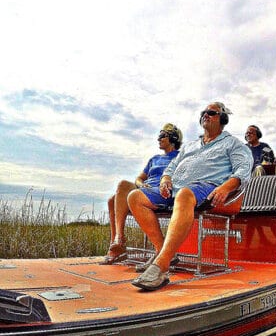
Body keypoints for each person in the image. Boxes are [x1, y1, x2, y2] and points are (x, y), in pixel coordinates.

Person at [127, 102, 253, 291]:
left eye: (211, 113)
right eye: (204, 112)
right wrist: (165, 179)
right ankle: (165, 252)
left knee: (185, 194)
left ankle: (161, 265)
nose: (205, 115)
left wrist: (227, 187)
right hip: (174, 188)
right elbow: (171, 166)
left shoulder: (233, 144)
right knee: (134, 197)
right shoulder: (190, 145)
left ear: (223, 119)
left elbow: (243, 169)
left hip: (206, 187)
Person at [100, 123, 183, 265]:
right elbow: (139, 178)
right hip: (145, 188)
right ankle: (118, 240)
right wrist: (140, 184)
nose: (158, 138)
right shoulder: (154, 159)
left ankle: (159, 250)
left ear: (173, 138)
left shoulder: (180, 157)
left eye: (162, 135)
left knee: (125, 196)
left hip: (161, 191)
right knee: (115, 196)